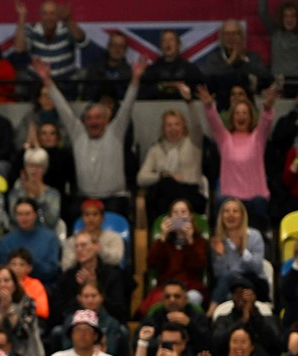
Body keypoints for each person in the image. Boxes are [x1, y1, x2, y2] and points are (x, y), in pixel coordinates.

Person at [33, 55, 146, 218]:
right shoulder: (78, 134)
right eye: (89, 118)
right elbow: (63, 108)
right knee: (69, 212)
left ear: (106, 119)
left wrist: (135, 79)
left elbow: (127, 106)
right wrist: (47, 81)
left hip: (114, 198)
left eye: (98, 117)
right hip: (85, 198)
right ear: (84, 121)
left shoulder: (115, 132)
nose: (93, 121)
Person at [197, 81, 277, 230]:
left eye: (245, 113)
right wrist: (208, 106)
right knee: (224, 205)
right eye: (237, 113)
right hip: (230, 198)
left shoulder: (257, 138)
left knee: (259, 207)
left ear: (251, 116)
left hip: (256, 197)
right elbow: (214, 122)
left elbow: (266, 122)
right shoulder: (224, 138)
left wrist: (267, 107)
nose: (241, 116)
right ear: (232, 117)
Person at [136, 92, 207, 224]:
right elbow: (141, 178)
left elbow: (197, 126)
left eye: (177, 124)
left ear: (183, 126)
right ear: (163, 128)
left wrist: (190, 102)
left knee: (165, 186)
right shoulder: (156, 149)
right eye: (169, 125)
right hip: (165, 200)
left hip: (189, 194)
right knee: (164, 185)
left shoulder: (193, 144)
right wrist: (163, 176)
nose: (173, 128)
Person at [141, 200, 208, 314]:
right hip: (166, 287)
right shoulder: (163, 242)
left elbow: (199, 265)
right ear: (170, 218)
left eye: (183, 212)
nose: (180, 216)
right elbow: (151, 263)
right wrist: (162, 237)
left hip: (190, 287)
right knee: (156, 305)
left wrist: (190, 241)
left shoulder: (199, 241)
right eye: (176, 213)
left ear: (191, 216)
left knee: (191, 300)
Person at [52, 230, 128, 324]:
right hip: (74, 325)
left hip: (106, 323)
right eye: (76, 246)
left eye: (83, 245)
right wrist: (81, 291)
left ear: (97, 246)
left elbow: (119, 311)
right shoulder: (68, 276)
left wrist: (95, 286)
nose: (79, 249)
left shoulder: (112, 275)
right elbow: (59, 311)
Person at [207, 198, 270, 311]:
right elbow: (218, 274)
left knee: (229, 279)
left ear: (242, 216)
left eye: (235, 211)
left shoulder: (254, 235)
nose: (230, 214)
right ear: (221, 216)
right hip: (229, 286)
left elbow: (257, 268)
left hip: (255, 283)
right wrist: (220, 256)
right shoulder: (219, 241)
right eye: (226, 211)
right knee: (227, 285)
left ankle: (210, 312)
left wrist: (242, 250)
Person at [14, 0, 88, 91]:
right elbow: (19, 49)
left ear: (58, 15)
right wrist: (22, 18)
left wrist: (68, 20)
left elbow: (82, 41)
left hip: (66, 86)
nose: (48, 18)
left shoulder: (67, 28)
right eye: (45, 14)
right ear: (40, 15)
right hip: (38, 87)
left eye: (52, 13)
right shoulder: (32, 30)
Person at [58, 280, 128, 356]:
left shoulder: (111, 323)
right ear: (79, 298)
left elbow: (111, 350)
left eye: (94, 296)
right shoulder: (70, 321)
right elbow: (66, 347)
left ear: (101, 297)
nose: (90, 300)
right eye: (86, 296)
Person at [0, 197, 61, 289]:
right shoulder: (6, 241)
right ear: (15, 216)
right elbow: (3, 271)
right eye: (20, 214)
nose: (24, 218)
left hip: (43, 287)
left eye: (27, 214)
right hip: (12, 289)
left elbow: (52, 271)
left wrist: (29, 263)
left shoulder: (49, 238)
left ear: (35, 215)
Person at [198, 19, 271, 98]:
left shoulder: (253, 57)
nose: (230, 37)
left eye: (234, 33)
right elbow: (210, 78)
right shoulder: (213, 58)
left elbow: (264, 77)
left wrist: (243, 60)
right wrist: (231, 61)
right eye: (227, 34)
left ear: (242, 36)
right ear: (221, 37)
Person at [60, 198, 125, 270]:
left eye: (95, 214)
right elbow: (66, 267)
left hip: (107, 277)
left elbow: (117, 260)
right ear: (82, 218)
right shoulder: (72, 241)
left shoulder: (114, 237)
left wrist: (99, 250)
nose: (91, 219)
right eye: (87, 215)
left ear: (102, 218)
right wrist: (81, 253)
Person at [140, 30, 206, 100]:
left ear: (178, 45)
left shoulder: (191, 69)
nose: (168, 43)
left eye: (171, 40)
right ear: (160, 46)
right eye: (164, 41)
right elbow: (143, 94)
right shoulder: (152, 70)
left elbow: (201, 93)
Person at [7, 147, 62, 232]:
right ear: (25, 168)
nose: (34, 170)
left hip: (45, 237)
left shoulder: (53, 194)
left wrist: (39, 196)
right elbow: (14, 219)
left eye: (38, 166)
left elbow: (52, 221)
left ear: (44, 169)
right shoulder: (15, 193)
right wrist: (27, 193)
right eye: (30, 166)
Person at [260, 0, 298, 90]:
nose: (289, 20)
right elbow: (262, 12)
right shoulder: (275, 32)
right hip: (278, 84)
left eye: (293, 16)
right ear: (281, 18)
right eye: (286, 16)